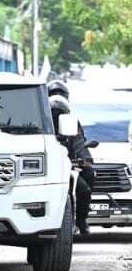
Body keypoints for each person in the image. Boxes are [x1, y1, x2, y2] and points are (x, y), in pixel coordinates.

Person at [50, 94, 94, 235]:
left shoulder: (72, 124)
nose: (57, 117)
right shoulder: (41, 125)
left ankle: (81, 218)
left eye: (59, 114)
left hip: (68, 166)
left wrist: (85, 158)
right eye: (53, 113)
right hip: (47, 167)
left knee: (85, 186)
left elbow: (79, 142)